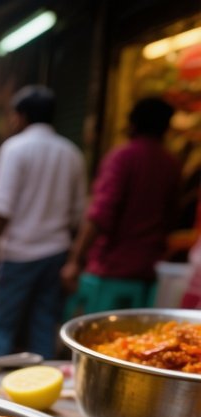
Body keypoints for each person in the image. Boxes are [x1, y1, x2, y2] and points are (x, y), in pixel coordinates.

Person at [0, 85, 85, 358]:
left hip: (19, 253)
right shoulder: (71, 153)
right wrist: (71, 258)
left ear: (21, 116)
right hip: (55, 252)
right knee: (43, 325)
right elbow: (78, 213)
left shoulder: (15, 149)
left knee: (0, 326)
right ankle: (39, 392)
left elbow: (2, 207)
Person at [61, 98, 181, 305]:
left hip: (111, 269)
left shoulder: (123, 157)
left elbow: (100, 214)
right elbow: (172, 217)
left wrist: (75, 259)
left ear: (132, 124)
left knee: (100, 332)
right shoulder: (171, 164)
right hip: (147, 269)